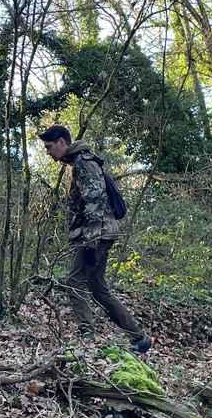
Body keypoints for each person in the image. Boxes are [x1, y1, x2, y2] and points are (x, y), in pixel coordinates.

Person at [38, 124, 151, 354]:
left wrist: (89, 242)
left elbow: (95, 201)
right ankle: (139, 337)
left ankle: (86, 338)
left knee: (75, 281)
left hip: (96, 234)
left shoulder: (83, 162)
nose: (49, 152)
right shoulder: (81, 162)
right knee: (98, 288)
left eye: (50, 147)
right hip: (101, 233)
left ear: (62, 142)